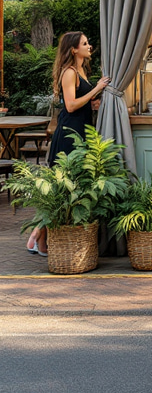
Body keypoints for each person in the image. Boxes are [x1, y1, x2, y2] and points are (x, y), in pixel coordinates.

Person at [26, 32, 110, 257]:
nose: (89, 46)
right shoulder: (69, 72)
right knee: (60, 188)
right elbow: (71, 106)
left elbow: (80, 103)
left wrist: (93, 104)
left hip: (80, 130)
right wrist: (97, 89)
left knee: (65, 187)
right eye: (84, 43)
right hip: (68, 132)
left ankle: (39, 239)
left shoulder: (82, 70)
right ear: (73, 49)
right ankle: (36, 237)